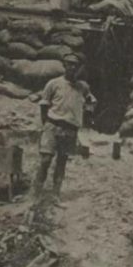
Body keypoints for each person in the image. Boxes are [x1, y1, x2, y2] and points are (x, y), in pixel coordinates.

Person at [33, 53, 95, 201]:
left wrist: (88, 111)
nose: (72, 67)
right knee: (45, 160)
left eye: (76, 65)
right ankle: (36, 194)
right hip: (53, 125)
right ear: (64, 65)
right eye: (69, 64)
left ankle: (55, 195)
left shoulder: (83, 87)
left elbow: (91, 101)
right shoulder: (53, 83)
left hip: (70, 129)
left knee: (61, 162)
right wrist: (46, 125)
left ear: (80, 68)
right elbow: (44, 105)